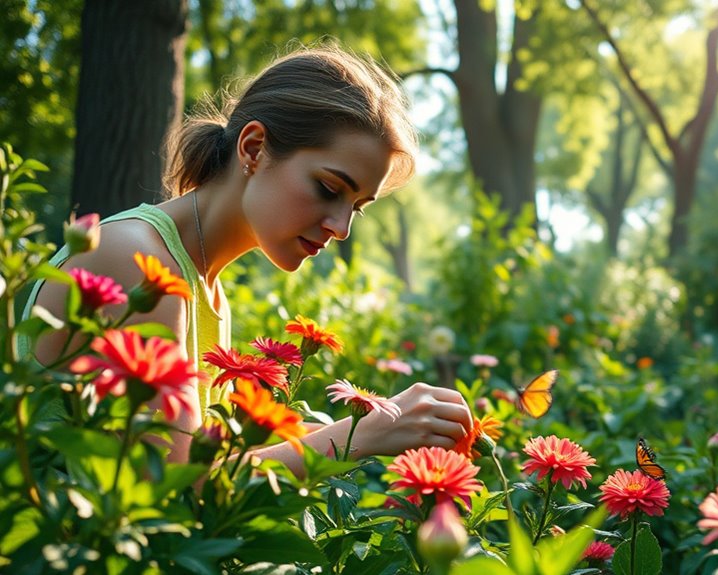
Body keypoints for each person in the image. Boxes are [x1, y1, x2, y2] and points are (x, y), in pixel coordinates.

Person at [21, 44, 472, 473]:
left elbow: (201, 457)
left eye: (355, 207)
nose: (341, 227)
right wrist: (362, 436)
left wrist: (381, 426)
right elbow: (174, 490)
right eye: (330, 190)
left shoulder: (206, 287)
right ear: (253, 148)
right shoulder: (135, 259)